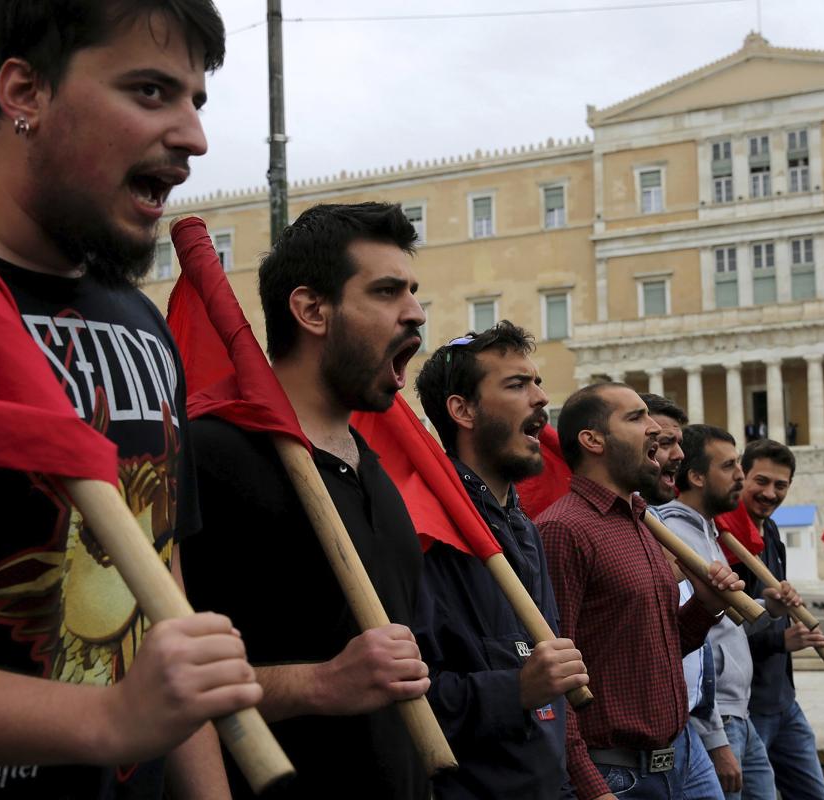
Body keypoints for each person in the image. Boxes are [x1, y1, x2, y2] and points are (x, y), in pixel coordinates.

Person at [0, 2, 263, 797]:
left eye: (195, 100)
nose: (193, 137)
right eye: (150, 92)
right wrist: (107, 721)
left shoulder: (143, 322)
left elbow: (164, 591)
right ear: (24, 93)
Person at [181, 202, 432, 798]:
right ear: (312, 310)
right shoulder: (207, 456)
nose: (417, 312)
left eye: (414, 291)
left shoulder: (375, 474)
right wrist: (318, 684)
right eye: (388, 291)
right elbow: (146, 677)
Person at [538, 382, 745, 800]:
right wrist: (592, 787)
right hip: (617, 775)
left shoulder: (644, 523)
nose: (654, 428)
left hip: (679, 759)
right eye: (636, 418)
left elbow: (663, 646)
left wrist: (706, 605)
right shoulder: (564, 530)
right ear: (592, 440)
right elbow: (553, 681)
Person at [412, 321, 588, 799]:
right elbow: (408, 700)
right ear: (462, 410)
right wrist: (516, 690)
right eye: (516, 384)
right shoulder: (427, 529)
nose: (540, 399)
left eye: (537, 382)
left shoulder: (524, 527)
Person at [657, 426, 790, 800]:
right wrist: (714, 736)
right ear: (697, 476)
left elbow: (722, 624)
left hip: (738, 713)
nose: (740, 477)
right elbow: (688, 646)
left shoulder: (708, 532)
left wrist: (770, 608)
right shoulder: (674, 535)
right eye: (730, 466)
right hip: (717, 719)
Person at [734, 440, 824, 800]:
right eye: (761, 481)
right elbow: (720, 633)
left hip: (784, 700)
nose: (769, 493)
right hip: (748, 707)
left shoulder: (771, 532)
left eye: (780, 485)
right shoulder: (729, 544)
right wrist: (781, 641)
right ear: (740, 476)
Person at [638, 395, 724, 800]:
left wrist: (708, 604)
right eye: (664, 441)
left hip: (684, 725)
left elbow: (672, 641)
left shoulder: (653, 520)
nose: (679, 456)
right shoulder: (574, 529)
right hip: (633, 745)